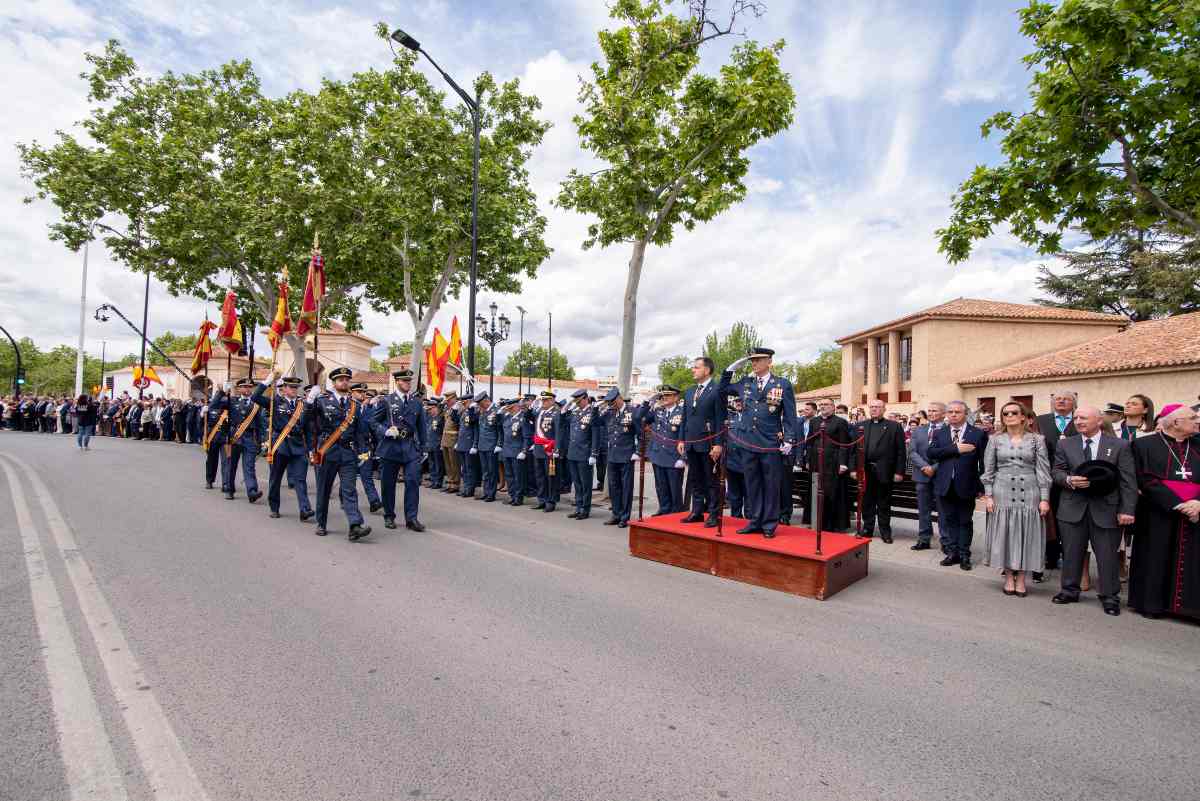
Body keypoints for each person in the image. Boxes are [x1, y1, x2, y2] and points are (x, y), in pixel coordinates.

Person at [1051, 405, 1137, 616]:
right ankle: (1069, 590)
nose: (1078, 421)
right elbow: (1057, 471)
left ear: (1099, 421)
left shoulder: (1120, 446)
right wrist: (1069, 480)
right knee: (1071, 553)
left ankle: (1109, 597)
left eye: (1084, 418)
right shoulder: (1065, 444)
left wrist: (1127, 510)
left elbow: (1128, 481)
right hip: (1072, 508)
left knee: (1107, 556)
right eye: (1077, 418)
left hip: (1107, 509)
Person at [1128, 403, 1200, 620]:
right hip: (1157, 512)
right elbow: (1143, 479)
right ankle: (1153, 605)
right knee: (1156, 558)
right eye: (1192, 418)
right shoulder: (1143, 445)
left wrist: (1197, 502)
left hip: (1196, 512)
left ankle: (1191, 609)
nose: (1197, 421)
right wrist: (1179, 504)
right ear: (1176, 422)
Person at [719, 347, 796, 538]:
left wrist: (789, 439)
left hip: (770, 442)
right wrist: (731, 369)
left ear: (769, 361)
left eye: (758, 360)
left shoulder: (782, 384)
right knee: (752, 483)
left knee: (770, 485)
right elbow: (723, 389)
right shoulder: (746, 383)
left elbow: (790, 416)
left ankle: (769, 524)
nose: (754, 363)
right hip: (748, 442)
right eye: (752, 360)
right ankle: (755, 521)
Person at [981, 401, 1051, 597]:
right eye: (1005, 413)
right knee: (1005, 534)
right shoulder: (995, 439)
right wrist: (988, 496)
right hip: (1002, 491)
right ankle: (1008, 577)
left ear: (1023, 416)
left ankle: (1021, 578)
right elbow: (988, 470)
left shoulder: (1037, 440)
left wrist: (1044, 498)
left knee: (1027, 535)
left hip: (1030, 491)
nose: (1009, 416)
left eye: (1014, 412)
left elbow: (1043, 470)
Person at [305, 366, 373, 541]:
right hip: (327, 450)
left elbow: (360, 431)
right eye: (340, 379)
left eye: (346, 379)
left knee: (349, 490)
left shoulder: (354, 405)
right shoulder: (321, 401)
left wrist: (363, 452)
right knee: (324, 490)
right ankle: (321, 522)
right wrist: (309, 402)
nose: (344, 382)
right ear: (333, 382)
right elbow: (307, 423)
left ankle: (355, 525)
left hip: (348, 452)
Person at [928, 400, 988, 570]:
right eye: (950, 412)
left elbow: (984, 462)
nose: (953, 415)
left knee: (965, 521)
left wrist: (981, 486)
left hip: (967, 485)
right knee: (949, 520)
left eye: (957, 412)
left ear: (966, 414)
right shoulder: (941, 433)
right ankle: (952, 553)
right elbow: (931, 453)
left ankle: (964, 555)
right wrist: (956, 449)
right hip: (944, 484)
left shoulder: (977, 434)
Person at [252, 373, 314, 522]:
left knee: (300, 480)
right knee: (276, 479)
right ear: (284, 388)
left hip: (299, 446)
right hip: (281, 445)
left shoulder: (302, 404)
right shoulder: (275, 402)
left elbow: (308, 429)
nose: (294, 390)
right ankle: (274, 507)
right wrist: (267, 381)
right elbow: (255, 398)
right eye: (290, 387)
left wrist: (311, 449)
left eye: (296, 387)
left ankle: (304, 509)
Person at [372, 369, 427, 531]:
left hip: (410, 447)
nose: (408, 384)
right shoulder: (387, 401)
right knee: (388, 484)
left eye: (409, 381)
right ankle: (389, 515)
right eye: (405, 381)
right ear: (397, 382)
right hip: (391, 447)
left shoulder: (416, 402)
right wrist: (385, 431)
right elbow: (374, 422)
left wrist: (424, 447)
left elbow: (421, 426)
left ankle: (411, 518)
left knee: (412, 481)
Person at [1035, 389, 1079, 581]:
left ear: (1074, 404)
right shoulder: (1042, 420)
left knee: (1068, 517)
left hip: (1072, 476)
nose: (1061, 402)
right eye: (1057, 399)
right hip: (1046, 476)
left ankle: (1067, 555)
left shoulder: (1080, 419)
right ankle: (1050, 555)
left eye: (1066, 399)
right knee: (1047, 517)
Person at [678, 357, 724, 528]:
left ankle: (713, 514)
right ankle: (697, 512)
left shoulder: (717, 389)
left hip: (709, 442)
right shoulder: (690, 391)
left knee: (711, 480)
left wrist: (718, 444)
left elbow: (720, 419)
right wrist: (682, 438)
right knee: (695, 479)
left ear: (707, 370)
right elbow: (685, 417)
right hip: (691, 441)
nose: (692, 370)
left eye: (696, 367)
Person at [858, 399, 907, 543]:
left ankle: (885, 531)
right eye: (872, 407)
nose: (874, 409)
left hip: (885, 471)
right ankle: (867, 529)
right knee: (867, 502)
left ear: (884, 409)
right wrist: (855, 469)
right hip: (866, 471)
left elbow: (901, 452)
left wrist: (899, 472)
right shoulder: (861, 425)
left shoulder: (894, 426)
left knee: (884, 503)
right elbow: (855, 450)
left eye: (877, 407)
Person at [806, 398, 852, 533]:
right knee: (815, 492)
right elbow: (810, 442)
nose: (823, 407)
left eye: (826, 404)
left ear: (833, 407)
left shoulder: (841, 422)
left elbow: (844, 444)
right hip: (816, 462)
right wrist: (808, 460)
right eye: (821, 405)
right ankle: (816, 521)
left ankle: (832, 524)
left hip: (833, 463)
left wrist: (843, 463)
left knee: (832, 493)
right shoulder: (814, 421)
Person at [599, 388, 640, 527]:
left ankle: (625, 516)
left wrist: (638, 452)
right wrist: (597, 408)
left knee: (626, 487)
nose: (611, 405)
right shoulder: (609, 413)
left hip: (627, 455)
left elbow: (640, 434)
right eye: (609, 403)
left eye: (613, 402)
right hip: (612, 455)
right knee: (613, 486)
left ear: (619, 398)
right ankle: (616, 514)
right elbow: (595, 422)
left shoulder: (633, 412)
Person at [908, 401, 944, 551]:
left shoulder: (949, 430)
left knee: (943, 510)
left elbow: (949, 454)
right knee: (923, 510)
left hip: (941, 475)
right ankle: (924, 539)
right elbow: (912, 452)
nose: (931, 413)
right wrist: (924, 466)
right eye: (929, 410)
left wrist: (933, 468)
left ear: (943, 413)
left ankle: (946, 541)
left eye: (935, 410)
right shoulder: (919, 430)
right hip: (922, 476)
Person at [645, 385, 686, 516]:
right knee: (660, 486)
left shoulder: (682, 412)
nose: (665, 398)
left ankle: (676, 513)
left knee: (674, 488)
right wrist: (649, 402)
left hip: (674, 456)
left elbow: (685, 435)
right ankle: (663, 509)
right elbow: (640, 418)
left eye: (668, 395)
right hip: (658, 454)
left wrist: (683, 458)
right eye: (663, 396)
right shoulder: (658, 411)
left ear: (676, 397)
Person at [222, 378, 265, 503]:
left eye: (249, 387)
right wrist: (223, 391)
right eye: (244, 387)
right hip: (235, 436)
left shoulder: (256, 404)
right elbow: (216, 404)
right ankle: (230, 489)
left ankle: (252, 491)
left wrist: (262, 440)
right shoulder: (232, 401)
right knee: (231, 465)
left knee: (249, 466)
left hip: (250, 438)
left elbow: (261, 424)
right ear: (239, 389)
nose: (247, 389)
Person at [562, 388, 600, 520]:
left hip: (585, 453)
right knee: (577, 483)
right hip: (572, 453)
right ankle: (578, 507)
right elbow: (561, 418)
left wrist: (594, 454)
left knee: (585, 483)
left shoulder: (593, 412)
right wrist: (568, 405)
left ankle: (585, 508)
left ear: (585, 398)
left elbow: (596, 434)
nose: (577, 404)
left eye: (578, 401)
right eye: (576, 402)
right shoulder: (575, 412)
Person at [349, 383, 383, 514]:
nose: (362, 394)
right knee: (349, 475)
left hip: (364, 449)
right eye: (359, 392)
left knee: (366, 475)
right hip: (350, 448)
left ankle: (374, 501)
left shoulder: (369, 410)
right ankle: (344, 498)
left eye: (363, 392)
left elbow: (374, 429)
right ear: (352, 392)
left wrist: (377, 449)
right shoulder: (347, 407)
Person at [530, 391, 561, 512]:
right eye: (543, 400)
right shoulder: (539, 412)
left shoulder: (556, 413)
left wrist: (557, 449)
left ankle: (551, 501)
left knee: (551, 477)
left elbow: (558, 433)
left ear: (552, 400)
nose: (544, 402)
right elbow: (528, 417)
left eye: (546, 400)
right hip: (538, 448)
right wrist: (530, 407)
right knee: (540, 476)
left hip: (549, 449)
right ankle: (542, 499)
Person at [473, 391, 502, 503]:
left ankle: (491, 493)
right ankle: (486, 492)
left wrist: (499, 444)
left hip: (491, 445)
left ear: (486, 400)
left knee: (492, 471)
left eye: (481, 404)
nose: (479, 406)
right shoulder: (482, 411)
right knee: (485, 471)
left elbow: (499, 430)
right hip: (482, 445)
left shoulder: (496, 410)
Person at [500, 398, 529, 505]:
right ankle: (512, 495)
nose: (509, 410)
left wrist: (524, 451)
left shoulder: (523, 418)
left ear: (517, 406)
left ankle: (518, 497)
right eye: (508, 408)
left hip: (517, 451)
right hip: (507, 450)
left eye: (511, 408)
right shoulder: (507, 418)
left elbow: (526, 436)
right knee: (509, 475)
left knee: (518, 476)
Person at [724, 395, 747, 519]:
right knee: (734, 493)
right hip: (731, 461)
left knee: (749, 493)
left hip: (747, 461)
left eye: (741, 400)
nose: (738, 403)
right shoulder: (729, 416)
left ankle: (750, 517)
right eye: (737, 401)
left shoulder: (750, 417)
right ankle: (736, 516)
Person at [794, 401, 817, 525]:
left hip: (811, 459)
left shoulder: (818, 422)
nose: (804, 411)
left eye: (807, 409)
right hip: (799, 457)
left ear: (814, 411)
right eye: (804, 409)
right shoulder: (799, 422)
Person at [453, 395, 479, 498]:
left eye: (464, 403)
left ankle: (470, 490)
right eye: (462, 403)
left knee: (469, 468)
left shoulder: (473, 412)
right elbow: (455, 420)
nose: (463, 404)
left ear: (469, 402)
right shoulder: (463, 412)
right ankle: (465, 488)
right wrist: (455, 410)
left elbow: (475, 427)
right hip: (462, 443)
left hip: (469, 444)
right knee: (464, 469)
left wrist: (475, 444)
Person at [439, 391, 461, 494]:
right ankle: (450, 482)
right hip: (446, 439)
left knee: (454, 463)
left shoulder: (458, 408)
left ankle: (456, 484)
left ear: (454, 399)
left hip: (453, 439)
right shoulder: (448, 409)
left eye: (448, 400)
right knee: (447, 463)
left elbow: (458, 424)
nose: (447, 402)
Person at [423, 398, 445, 489]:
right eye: (429, 409)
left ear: (436, 408)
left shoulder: (440, 418)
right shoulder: (429, 418)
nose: (430, 411)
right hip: (430, 444)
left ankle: (438, 482)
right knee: (431, 464)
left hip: (437, 443)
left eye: (431, 408)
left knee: (438, 464)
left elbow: (442, 432)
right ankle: (433, 480)